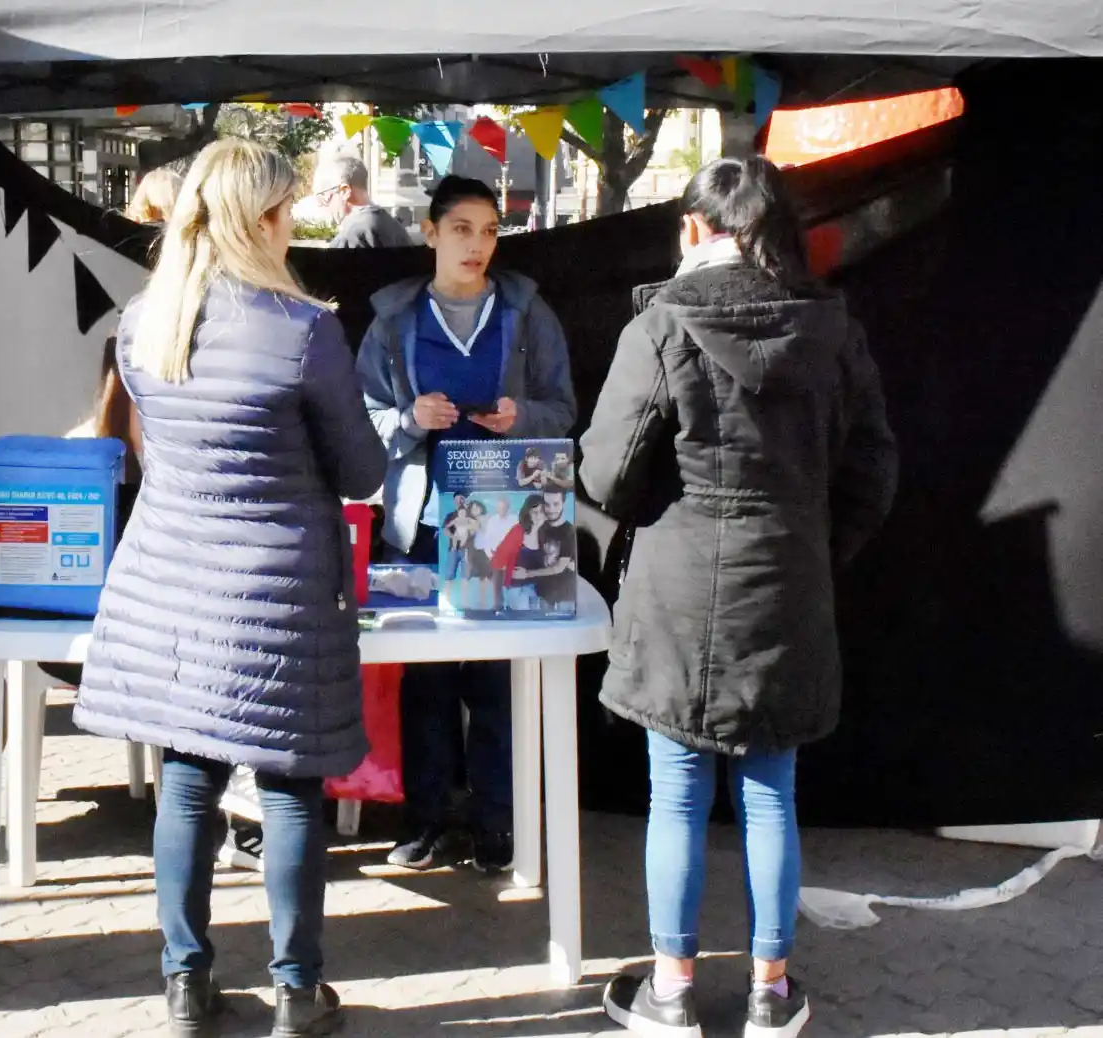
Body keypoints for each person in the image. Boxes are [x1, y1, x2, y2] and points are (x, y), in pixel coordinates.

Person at [74, 138, 387, 1038]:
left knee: (186, 786)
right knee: (290, 792)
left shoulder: (143, 323)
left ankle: (184, 985)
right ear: (262, 222)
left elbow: (150, 455)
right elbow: (361, 472)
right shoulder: (304, 331)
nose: (298, 226)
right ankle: (297, 993)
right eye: (290, 211)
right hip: (279, 594)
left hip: (170, 586)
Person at [579, 156, 898, 1038]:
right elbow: (873, 469)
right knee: (772, 791)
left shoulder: (661, 325)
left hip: (678, 597)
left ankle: (672, 992)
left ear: (692, 228)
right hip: (789, 587)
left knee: (676, 792)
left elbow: (606, 473)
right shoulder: (833, 327)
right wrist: (814, 549)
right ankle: (770, 991)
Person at [357, 174, 576, 873]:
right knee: (424, 678)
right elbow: (357, 418)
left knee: (492, 678)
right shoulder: (393, 320)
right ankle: (423, 820)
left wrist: (523, 419)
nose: (478, 245)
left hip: (503, 517)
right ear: (429, 232)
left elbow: (563, 408)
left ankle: (494, 823)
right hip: (420, 521)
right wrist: (406, 420)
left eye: (489, 231)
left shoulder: (527, 313)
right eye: (462, 229)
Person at [312, 153, 412, 248]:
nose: (324, 206)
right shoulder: (396, 228)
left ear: (345, 191)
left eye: (323, 197)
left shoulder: (348, 239)